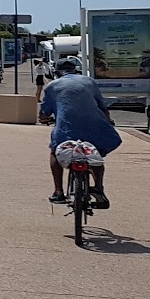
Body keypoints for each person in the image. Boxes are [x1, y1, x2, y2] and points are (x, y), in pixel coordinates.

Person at [40, 57, 122, 206]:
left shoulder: (52, 86)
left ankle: (58, 191)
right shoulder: (89, 82)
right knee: (95, 153)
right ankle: (98, 189)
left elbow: (44, 113)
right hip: (94, 127)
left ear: (57, 73)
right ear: (75, 70)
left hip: (66, 130)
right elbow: (103, 108)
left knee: (54, 151)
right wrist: (108, 123)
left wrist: (44, 119)